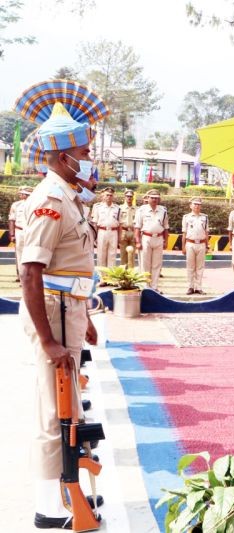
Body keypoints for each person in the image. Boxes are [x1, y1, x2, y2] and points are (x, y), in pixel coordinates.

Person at [15, 96, 104, 528]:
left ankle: (69, 495)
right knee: (54, 411)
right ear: (65, 158)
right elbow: (31, 272)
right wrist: (48, 339)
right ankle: (48, 508)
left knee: (70, 411)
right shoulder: (50, 199)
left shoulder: (69, 197)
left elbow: (68, 268)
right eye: (85, 155)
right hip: (52, 312)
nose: (90, 162)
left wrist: (84, 317)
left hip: (68, 309)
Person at [134, 189, 169, 292]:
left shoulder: (163, 211)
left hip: (158, 238)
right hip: (146, 238)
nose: (154, 200)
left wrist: (166, 241)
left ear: (159, 199)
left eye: (156, 198)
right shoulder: (141, 210)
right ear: (147, 198)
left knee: (156, 264)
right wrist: (137, 241)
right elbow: (137, 227)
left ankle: (154, 286)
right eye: (152, 198)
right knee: (145, 264)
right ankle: (145, 287)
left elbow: (166, 227)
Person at [182, 197, 209, 295]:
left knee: (200, 267)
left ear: (201, 206)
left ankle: (198, 287)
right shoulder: (186, 217)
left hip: (201, 243)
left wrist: (207, 245)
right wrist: (183, 246)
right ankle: (190, 286)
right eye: (195, 204)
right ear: (190, 206)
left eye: (198, 204)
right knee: (190, 266)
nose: (197, 206)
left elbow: (206, 232)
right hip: (190, 243)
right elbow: (184, 233)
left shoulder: (205, 217)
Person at [90, 187, 120, 270]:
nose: (109, 197)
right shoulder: (98, 207)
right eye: (107, 195)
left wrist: (119, 237)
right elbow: (94, 223)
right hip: (102, 232)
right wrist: (94, 237)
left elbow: (119, 224)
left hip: (113, 232)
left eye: (111, 195)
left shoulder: (117, 208)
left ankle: (111, 277)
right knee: (101, 255)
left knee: (112, 255)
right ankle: (102, 277)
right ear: (103, 196)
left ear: (113, 196)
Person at [8, 185, 32, 282]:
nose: (20, 195)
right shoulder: (16, 205)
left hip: (31, 232)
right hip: (20, 231)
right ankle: (21, 277)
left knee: (32, 255)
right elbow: (11, 220)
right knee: (20, 255)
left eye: (22, 193)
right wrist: (12, 234)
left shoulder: (35, 204)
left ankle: (30, 277)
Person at [118, 189, 137, 268]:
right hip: (123, 231)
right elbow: (118, 222)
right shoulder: (120, 208)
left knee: (132, 254)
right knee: (123, 254)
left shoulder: (137, 209)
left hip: (133, 232)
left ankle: (131, 272)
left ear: (133, 198)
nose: (129, 198)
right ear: (124, 197)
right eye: (127, 196)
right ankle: (123, 273)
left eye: (131, 196)